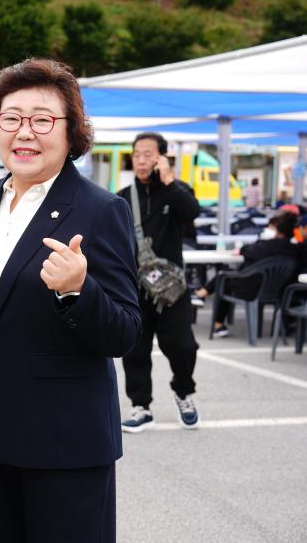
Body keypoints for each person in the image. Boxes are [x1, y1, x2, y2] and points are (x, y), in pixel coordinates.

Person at [0, 59, 141, 542]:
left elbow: (125, 330)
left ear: (71, 130)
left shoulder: (102, 210)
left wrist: (79, 290)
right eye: (11, 117)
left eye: (42, 119)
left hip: (66, 446)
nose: (25, 132)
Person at [117, 132, 201, 433]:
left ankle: (183, 393)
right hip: (135, 287)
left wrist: (169, 182)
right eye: (137, 154)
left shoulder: (177, 191)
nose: (141, 159)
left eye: (149, 154)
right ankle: (141, 407)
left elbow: (193, 213)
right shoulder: (124, 197)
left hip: (172, 289)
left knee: (182, 345)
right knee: (135, 348)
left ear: (162, 158)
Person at [194, 212, 299, 336]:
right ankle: (200, 294)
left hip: (253, 289)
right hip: (280, 291)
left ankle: (216, 319)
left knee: (223, 279)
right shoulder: (295, 248)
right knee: (226, 277)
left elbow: (246, 251)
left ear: (278, 231)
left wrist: (262, 240)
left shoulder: (264, 246)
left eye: (270, 228)